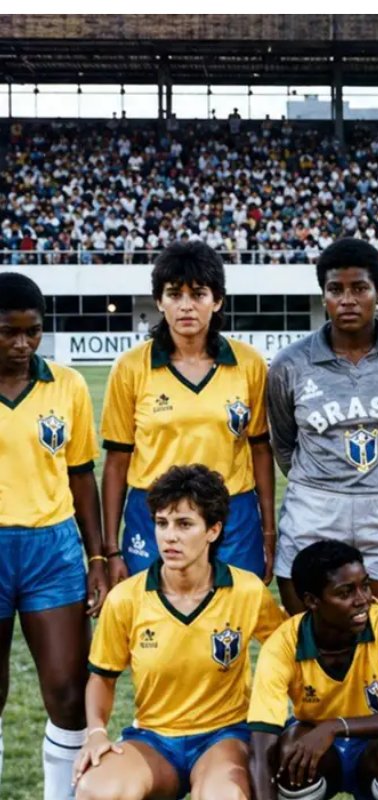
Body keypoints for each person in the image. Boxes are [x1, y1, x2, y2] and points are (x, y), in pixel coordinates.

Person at [74, 464, 286, 800]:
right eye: (162, 523)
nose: (169, 536)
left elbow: (288, 649)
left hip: (223, 736)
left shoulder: (246, 591)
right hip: (153, 740)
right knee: (96, 790)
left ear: (213, 530)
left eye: (184, 524)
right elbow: (102, 677)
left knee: (222, 797)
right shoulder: (126, 598)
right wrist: (97, 732)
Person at [267, 238, 378, 631]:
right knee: (312, 644)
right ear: (323, 295)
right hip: (315, 507)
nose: (347, 299)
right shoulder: (290, 364)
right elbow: (285, 445)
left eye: (359, 288)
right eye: (335, 290)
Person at [101, 240, 275, 579]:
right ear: (159, 301)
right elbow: (117, 459)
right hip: (153, 511)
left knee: (230, 624)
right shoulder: (130, 366)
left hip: (232, 512)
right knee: (158, 622)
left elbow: (261, 451)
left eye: (198, 294)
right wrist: (111, 549)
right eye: (174, 294)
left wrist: (268, 531)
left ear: (217, 300)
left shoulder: (250, 364)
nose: (186, 306)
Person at [0, 272, 108, 799]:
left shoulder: (65, 385)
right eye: (8, 332)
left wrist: (98, 556)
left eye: (33, 332)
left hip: (53, 549)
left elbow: (82, 474)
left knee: (68, 693)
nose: (22, 344)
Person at [248, 540, 378, 800]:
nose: (363, 600)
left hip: (374, 748)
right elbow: (262, 741)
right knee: (289, 749)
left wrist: (334, 726)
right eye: (345, 593)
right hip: (320, 752)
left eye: (365, 586)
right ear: (312, 601)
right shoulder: (283, 644)